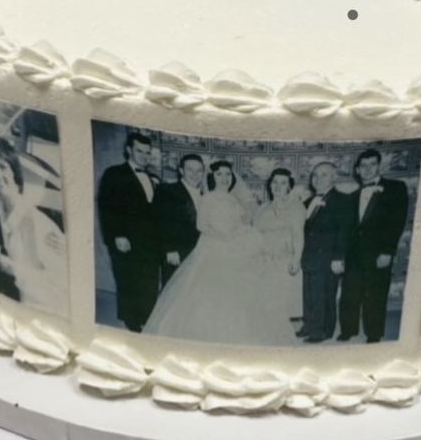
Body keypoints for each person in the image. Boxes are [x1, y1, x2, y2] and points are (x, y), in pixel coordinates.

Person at [144, 160, 288, 344]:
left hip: (234, 249)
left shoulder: (234, 200)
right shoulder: (208, 198)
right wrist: (224, 235)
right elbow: (201, 225)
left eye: (228, 174)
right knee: (208, 292)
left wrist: (242, 233)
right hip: (213, 249)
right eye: (220, 174)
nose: (224, 178)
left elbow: (241, 223)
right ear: (213, 176)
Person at [0, 134, 67, 310]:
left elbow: (59, 287)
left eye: (3, 166)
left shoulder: (36, 223)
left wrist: (13, 269)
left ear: (14, 172)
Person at [338, 149, 409, 343]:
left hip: (378, 252)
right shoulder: (352, 195)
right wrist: (343, 256)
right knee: (349, 293)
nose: (368, 169)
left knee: (376, 293)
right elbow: (348, 229)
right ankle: (348, 330)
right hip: (354, 254)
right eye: (363, 165)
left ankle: (374, 333)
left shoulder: (396, 188)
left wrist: (387, 251)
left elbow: (398, 221)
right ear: (357, 170)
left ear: (380, 166)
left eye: (372, 164)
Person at [96, 131, 161, 332]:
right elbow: (107, 207)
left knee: (148, 281)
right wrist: (117, 235)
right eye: (140, 151)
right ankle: (132, 323)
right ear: (129, 150)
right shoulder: (114, 173)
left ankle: (146, 319)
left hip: (149, 241)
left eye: (147, 153)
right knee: (128, 281)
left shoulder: (151, 177)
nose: (144, 156)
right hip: (126, 240)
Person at [298, 161, 351, 343]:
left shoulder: (342, 200)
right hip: (309, 257)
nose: (318, 178)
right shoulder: (306, 202)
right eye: (315, 175)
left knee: (324, 294)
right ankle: (309, 325)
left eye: (324, 174)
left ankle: (322, 331)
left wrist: (339, 258)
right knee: (308, 294)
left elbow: (344, 231)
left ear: (334, 178)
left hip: (328, 258)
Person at [253, 167, 307, 326]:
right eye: (275, 182)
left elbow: (298, 234)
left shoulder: (296, 206)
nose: (278, 187)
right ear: (270, 185)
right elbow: (254, 234)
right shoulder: (262, 208)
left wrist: (297, 259)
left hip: (283, 260)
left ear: (289, 186)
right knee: (264, 302)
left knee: (282, 305)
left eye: (283, 183)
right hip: (263, 260)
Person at [153, 153, 205, 287]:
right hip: (176, 253)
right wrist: (169, 249)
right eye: (190, 170)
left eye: (199, 170)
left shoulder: (205, 195)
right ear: (181, 171)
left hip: (199, 253)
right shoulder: (167, 190)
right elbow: (161, 222)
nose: (195, 174)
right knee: (174, 290)